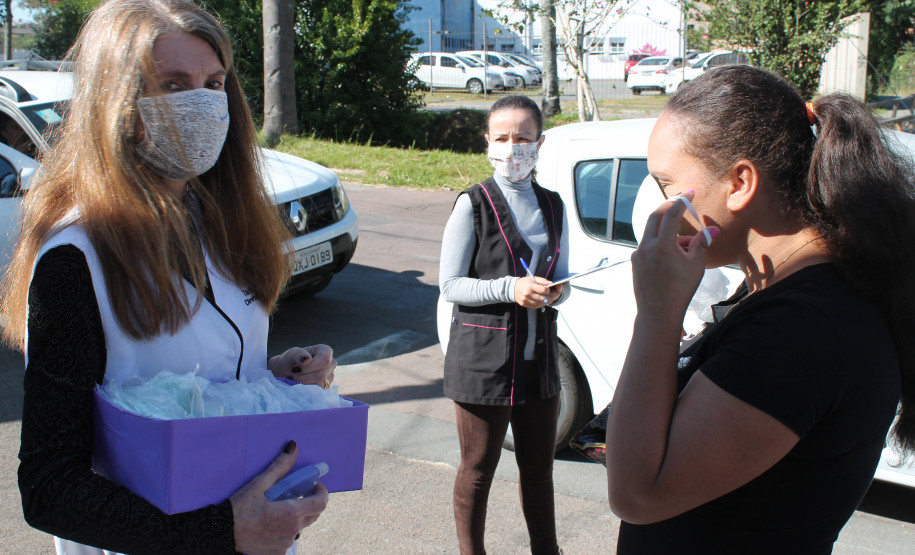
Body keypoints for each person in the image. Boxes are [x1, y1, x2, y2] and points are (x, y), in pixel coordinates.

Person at [0, 1, 336, 554]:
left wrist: (272, 377)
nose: (202, 104)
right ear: (119, 103)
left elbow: (195, 375)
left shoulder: (221, 223)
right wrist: (222, 531)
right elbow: (49, 488)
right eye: (173, 86)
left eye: (214, 83)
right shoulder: (76, 258)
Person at [605, 64, 915, 553]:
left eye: (666, 184)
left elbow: (637, 494)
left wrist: (656, 315)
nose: (660, 207)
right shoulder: (783, 292)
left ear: (740, 182)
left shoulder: (800, 329)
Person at [439, 94, 570, 555]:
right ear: (488, 143)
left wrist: (556, 290)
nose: (513, 147)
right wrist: (510, 289)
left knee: (539, 470)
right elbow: (450, 285)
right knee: (478, 469)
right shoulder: (471, 205)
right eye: (502, 137)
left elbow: (562, 278)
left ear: (540, 142)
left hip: (539, 366)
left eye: (523, 138)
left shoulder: (553, 206)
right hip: (484, 362)